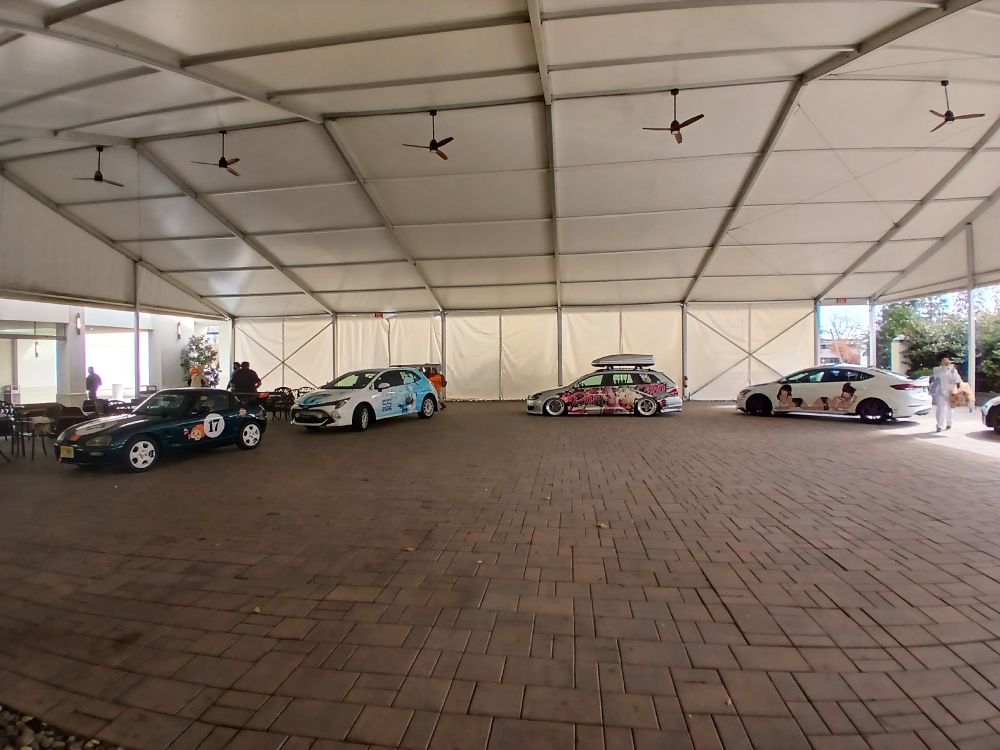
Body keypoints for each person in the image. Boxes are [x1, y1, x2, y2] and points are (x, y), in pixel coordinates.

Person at [931, 354, 962, 433]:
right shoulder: (937, 369)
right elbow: (939, 375)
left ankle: (949, 423)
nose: (946, 362)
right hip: (940, 391)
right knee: (940, 408)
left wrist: (952, 370)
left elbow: (957, 379)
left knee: (950, 408)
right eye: (944, 360)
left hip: (950, 392)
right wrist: (945, 367)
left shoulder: (952, 369)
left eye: (947, 360)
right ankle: (939, 425)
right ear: (941, 361)